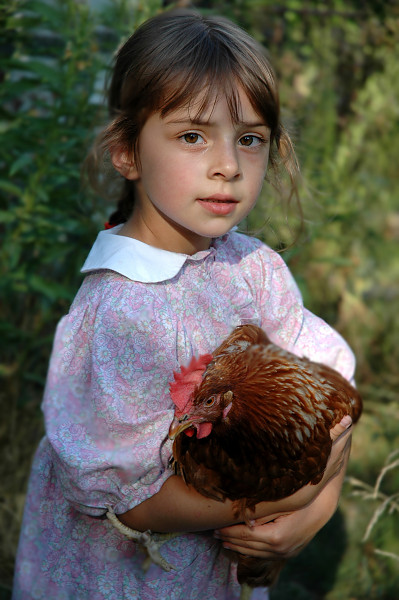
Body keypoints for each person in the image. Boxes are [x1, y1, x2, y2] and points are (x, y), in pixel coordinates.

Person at [13, 8, 357, 600]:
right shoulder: (117, 312)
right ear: (126, 152)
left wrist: (314, 516)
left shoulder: (254, 269)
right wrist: (296, 494)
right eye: (192, 136)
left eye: (249, 139)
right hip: (126, 579)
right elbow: (135, 505)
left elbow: (336, 405)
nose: (227, 165)